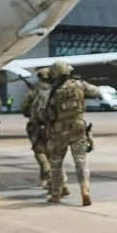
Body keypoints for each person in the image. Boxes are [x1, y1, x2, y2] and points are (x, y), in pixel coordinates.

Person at [45, 61, 99, 206]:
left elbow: (47, 113)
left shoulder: (54, 90)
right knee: (81, 161)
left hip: (60, 130)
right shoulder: (79, 85)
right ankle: (85, 190)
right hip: (78, 127)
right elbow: (97, 92)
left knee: (56, 162)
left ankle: (56, 194)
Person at [21, 68, 53, 188]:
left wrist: (30, 113)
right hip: (51, 125)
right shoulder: (54, 90)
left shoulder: (34, 91)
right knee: (49, 152)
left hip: (36, 125)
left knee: (39, 150)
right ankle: (45, 179)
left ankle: (47, 171)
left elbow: (23, 107)